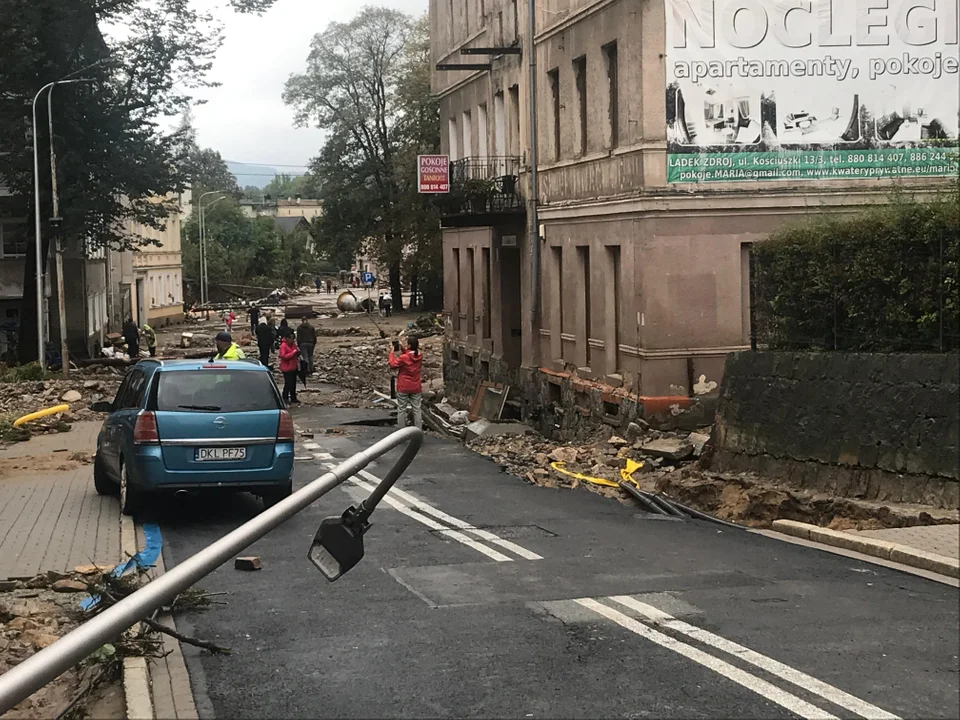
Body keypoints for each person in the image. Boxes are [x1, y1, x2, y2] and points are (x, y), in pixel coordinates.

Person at [388, 336, 422, 429]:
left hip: (403, 386)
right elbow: (410, 354)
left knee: (401, 410)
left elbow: (392, 364)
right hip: (416, 386)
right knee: (417, 410)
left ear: (409, 345)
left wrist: (391, 353)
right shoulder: (419, 355)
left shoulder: (403, 358)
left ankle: (401, 431)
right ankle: (419, 430)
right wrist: (402, 348)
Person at [278, 333, 300, 405]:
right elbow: (283, 356)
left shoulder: (293, 345)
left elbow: (296, 352)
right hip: (286, 367)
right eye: (291, 338)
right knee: (288, 383)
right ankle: (285, 397)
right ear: (287, 338)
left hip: (293, 366)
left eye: (293, 339)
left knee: (293, 383)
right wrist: (293, 352)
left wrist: (298, 352)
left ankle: (293, 397)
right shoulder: (283, 346)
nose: (292, 340)